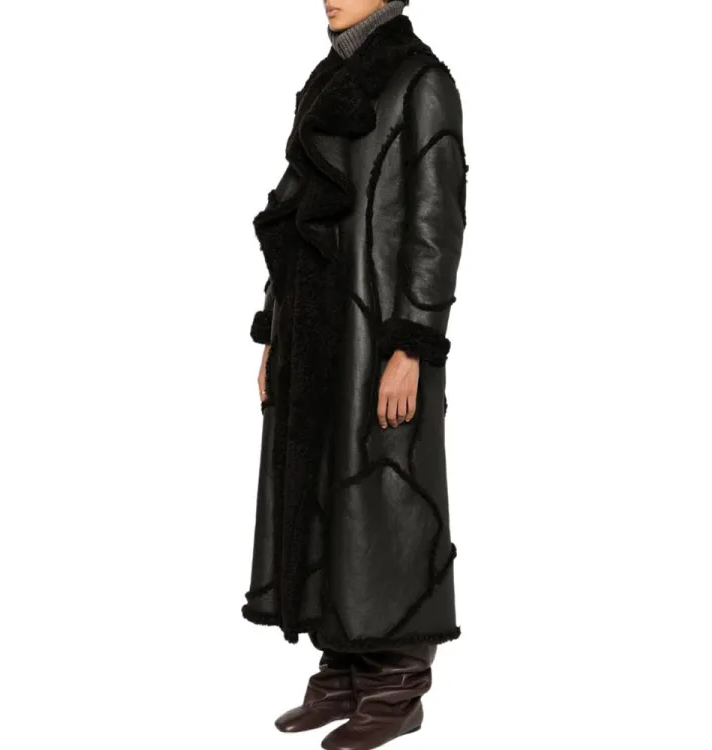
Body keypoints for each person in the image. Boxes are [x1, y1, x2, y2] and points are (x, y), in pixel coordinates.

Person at [243, 2, 467, 748]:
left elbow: (436, 222)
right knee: (321, 490)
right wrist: (276, 330)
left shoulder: (421, 81)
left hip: (380, 333)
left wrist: (413, 343)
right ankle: (342, 667)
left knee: (383, 493)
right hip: (318, 329)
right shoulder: (325, 82)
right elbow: (294, 221)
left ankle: (396, 683)